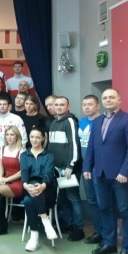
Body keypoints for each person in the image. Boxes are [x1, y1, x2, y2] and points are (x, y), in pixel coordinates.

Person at [83, 89, 128, 254]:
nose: (108, 100)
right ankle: (109, 243)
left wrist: (125, 171)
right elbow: (92, 146)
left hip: (120, 176)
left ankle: (127, 250)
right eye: (105, 97)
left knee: (126, 211)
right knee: (105, 209)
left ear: (119, 100)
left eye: (111, 97)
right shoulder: (98, 121)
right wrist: (87, 167)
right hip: (100, 174)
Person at [48, 96, 84, 242]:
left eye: (62, 105)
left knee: (73, 198)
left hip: (69, 168)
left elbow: (74, 145)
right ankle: (68, 224)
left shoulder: (70, 121)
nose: (59, 107)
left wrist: (70, 165)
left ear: (68, 107)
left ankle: (79, 228)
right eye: (56, 105)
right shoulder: (54, 122)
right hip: (57, 168)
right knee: (63, 198)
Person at [20, 128, 59, 251]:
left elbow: (49, 173)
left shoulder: (49, 155)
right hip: (29, 188)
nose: (34, 140)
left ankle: (34, 238)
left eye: (37, 137)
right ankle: (45, 221)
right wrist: (25, 185)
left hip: (47, 189)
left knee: (28, 201)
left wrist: (42, 185)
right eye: (32, 137)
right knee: (30, 194)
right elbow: (24, 172)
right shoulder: (24, 155)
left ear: (43, 138)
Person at [0, 126, 24, 235]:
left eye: (12, 135)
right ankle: (1, 220)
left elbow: (22, 171)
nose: (9, 137)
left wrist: (7, 179)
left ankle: (1, 224)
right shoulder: (3, 149)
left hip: (18, 182)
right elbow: (1, 166)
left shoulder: (21, 150)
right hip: (5, 180)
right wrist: (0, 177)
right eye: (7, 135)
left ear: (17, 137)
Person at [78, 94, 103, 245]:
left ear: (98, 106)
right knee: (92, 201)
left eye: (90, 104)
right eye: (84, 105)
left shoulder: (102, 121)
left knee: (102, 201)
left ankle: (106, 234)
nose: (87, 107)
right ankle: (98, 232)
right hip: (86, 167)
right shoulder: (82, 122)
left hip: (99, 168)